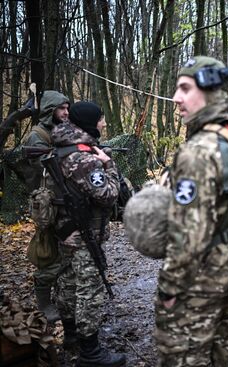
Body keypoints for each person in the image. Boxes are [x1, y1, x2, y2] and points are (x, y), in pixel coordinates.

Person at [154, 56, 228, 366]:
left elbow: (187, 237)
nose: (176, 98)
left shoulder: (198, 151)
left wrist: (169, 290)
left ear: (210, 89)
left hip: (201, 280)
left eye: (185, 88)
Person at [51, 101, 125, 366]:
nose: (104, 124)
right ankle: (90, 352)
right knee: (88, 291)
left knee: (68, 283)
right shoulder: (84, 158)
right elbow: (107, 195)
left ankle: (71, 336)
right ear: (92, 122)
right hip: (84, 233)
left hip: (66, 230)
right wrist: (108, 165)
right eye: (102, 120)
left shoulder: (62, 147)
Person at [22, 90, 70, 324]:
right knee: (50, 254)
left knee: (65, 251)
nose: (66, 112)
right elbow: (46, 165)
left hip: (60, 201)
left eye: (68, 108)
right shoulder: (37, 136)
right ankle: (43, 301)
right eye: (62, 108)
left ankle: (61, 293)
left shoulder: (56, 131)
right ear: (51, 111)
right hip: (45, 205)